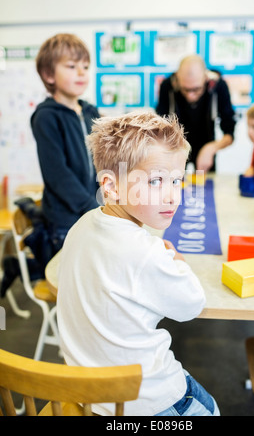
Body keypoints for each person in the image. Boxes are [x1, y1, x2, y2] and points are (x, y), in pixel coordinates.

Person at [56, 111, 220, 417]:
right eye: (156, 181)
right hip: (145, 400)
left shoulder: (81, 225)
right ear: (112, 186)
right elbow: (192, 306)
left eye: (177, 180)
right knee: (212, 410)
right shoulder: (146, 252)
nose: (173, 196)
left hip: (86, 393)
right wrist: (178, 262)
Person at [31, 33, 100, 257]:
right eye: (71, 66)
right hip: (66, 219)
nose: (81, 72)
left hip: (92, 210)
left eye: (85, 66)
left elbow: (103, 156)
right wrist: (90, 206)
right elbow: (57, 174)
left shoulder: (90, 112)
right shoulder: (47, 116)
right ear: (49, 75)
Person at [156, 54, 236, 172]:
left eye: (196, 89)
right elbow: (159, 127)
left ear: (206, 78)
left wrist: (212, 148)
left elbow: (229, 131)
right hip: (175, 149)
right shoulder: (167, 86)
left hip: (206, 147)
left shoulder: (218, 86)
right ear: (177, 78)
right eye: (185, 89)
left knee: (205, 188)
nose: (190, 95)